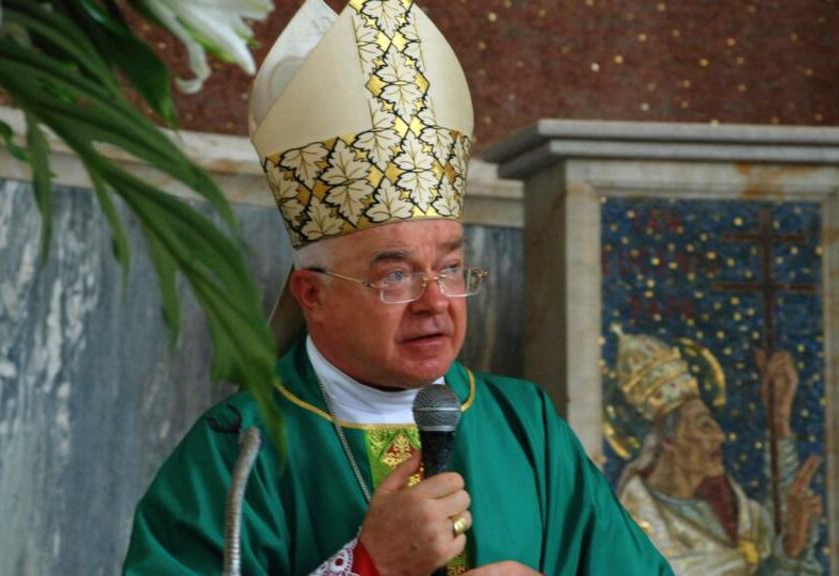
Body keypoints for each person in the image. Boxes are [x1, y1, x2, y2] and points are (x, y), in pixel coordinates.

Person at [123, 0, 672, 574]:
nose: (434, 303)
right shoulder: (237, 450)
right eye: (396, 276)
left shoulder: (524, 424)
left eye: (451, 268)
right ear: (312, 295)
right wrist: (366, 565)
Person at [611, 332, 823, 575]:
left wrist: (780, 422)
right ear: (668, 440)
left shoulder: (729, 509)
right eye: (704, 426)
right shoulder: (637, 529)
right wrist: (790, 550)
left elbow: (776, 539)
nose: (720, 436)